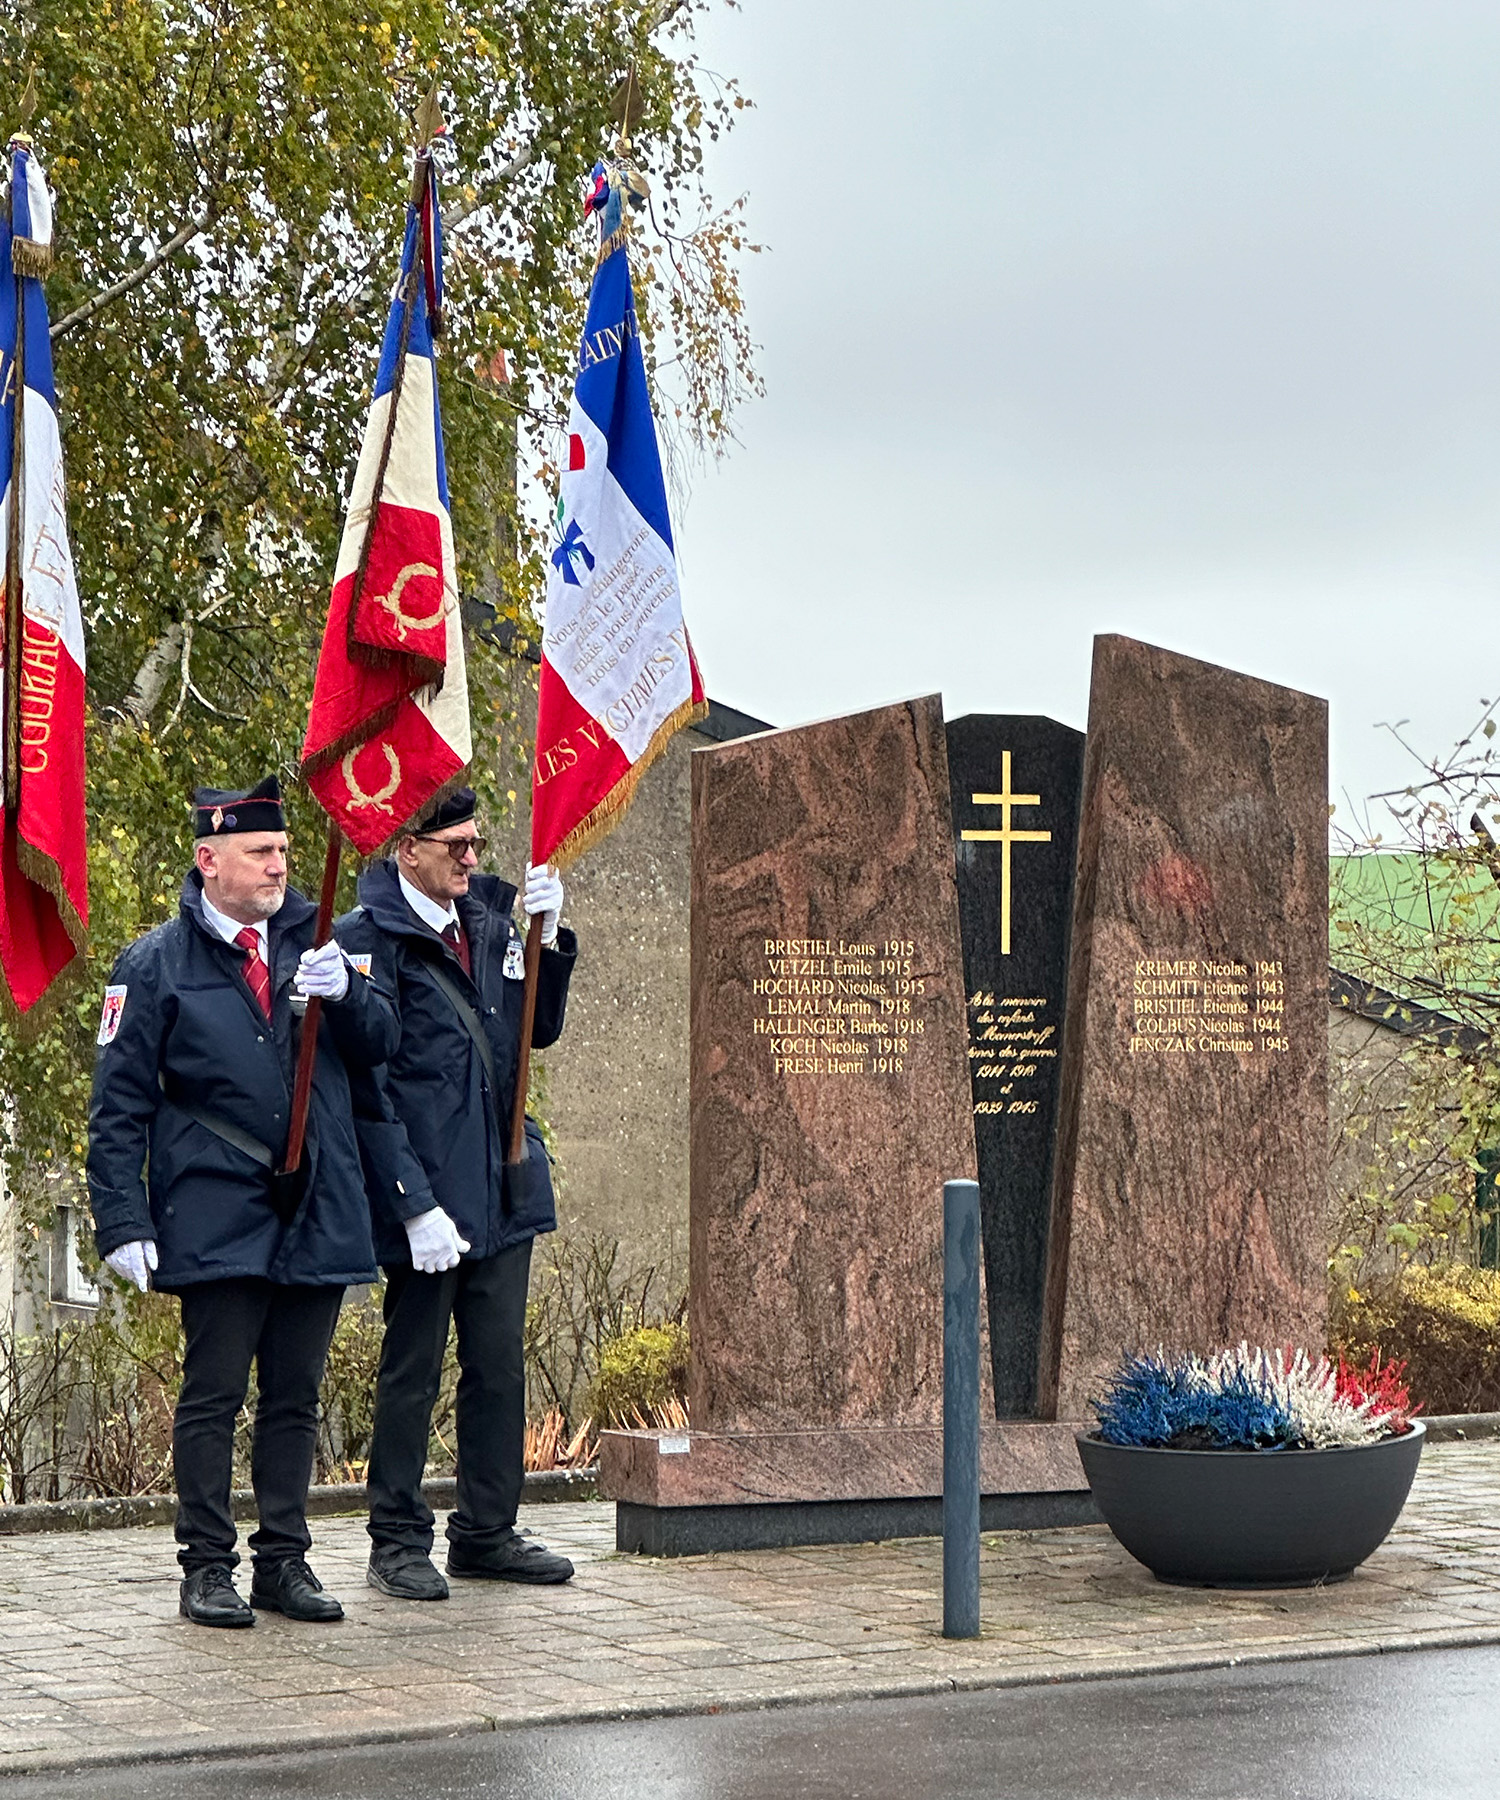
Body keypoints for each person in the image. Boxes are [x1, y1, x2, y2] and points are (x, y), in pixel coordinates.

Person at [87, 777, 395, 1628]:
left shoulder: (321, 940)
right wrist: (122, 1217)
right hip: (215, 1205)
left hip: (315, 1201)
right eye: (260, 853)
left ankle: (284, 1562)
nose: (277, 868)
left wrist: (352, 994)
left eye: (285, 853)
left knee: (297, 1395)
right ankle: (207, 1565)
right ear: (208, 858)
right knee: (214, 1394)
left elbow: (381, 1050)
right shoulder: (154, 966)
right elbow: (120, 1104)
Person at [338, 788, 577, 1600]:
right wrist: (412, 1203)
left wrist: (555, 937)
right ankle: (397, 1539)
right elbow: (370, 1095)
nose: (474, 858)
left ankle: (486, 1531)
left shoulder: (488, 922)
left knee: (499, 1369)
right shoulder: (366, 945)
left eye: (476, 842)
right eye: (457, 845)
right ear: (408, 847)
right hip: (429, 1204)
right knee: (412, 1372)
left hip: (501, 1187)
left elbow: (535, 1029)